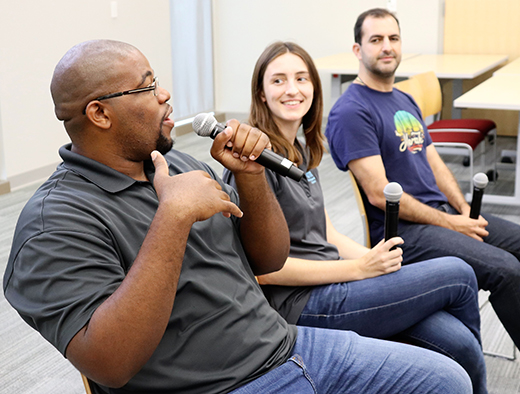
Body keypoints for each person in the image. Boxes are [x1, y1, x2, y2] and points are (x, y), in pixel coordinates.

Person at [1, 39, 473, 394]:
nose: (165, 94)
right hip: (221, 386)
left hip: (287, 346)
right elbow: (109, 363)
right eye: (147, 86)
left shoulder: (182, 165)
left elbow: (268, 259)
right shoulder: (54, 222)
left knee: (447, 379)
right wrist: (172, 218)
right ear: (100, 114)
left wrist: (249, 177)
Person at [224, 40, 487, 393]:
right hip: (302, 304)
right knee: (458, 272)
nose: (292, 89)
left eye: (302, 79)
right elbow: (263, 271)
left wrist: (372, 259)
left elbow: (327, 233)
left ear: (314, 89)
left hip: (338, 281)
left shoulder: (300, 151)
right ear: (261, 94)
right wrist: (360, 270)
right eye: (278, 80)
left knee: (460, 343)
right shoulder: (252, 163)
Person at [326, 7, 520, 352]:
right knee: (506, 269)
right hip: (405, 233)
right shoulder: (351, 111)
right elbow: (378, 195)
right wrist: (452, 223)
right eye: (376, 40)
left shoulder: (403, 98)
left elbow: (434, 162)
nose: (387, 46)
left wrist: (462, 209)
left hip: (441, 214)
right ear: (358, 50)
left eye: (393, 38)